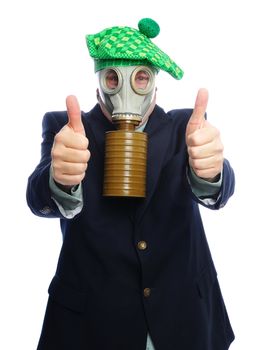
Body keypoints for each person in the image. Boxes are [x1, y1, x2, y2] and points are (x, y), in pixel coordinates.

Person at [26, 18, 235, 350]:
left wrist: (209, 173)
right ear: (99, 81)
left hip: (185, 320)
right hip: (94, 327)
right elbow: (39, 196)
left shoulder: (186, 127)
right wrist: (61, 180)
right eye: (113, 78)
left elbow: (215, 191)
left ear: (154, 82)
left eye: (141, 77)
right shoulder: (66, 130)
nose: (125, 90)